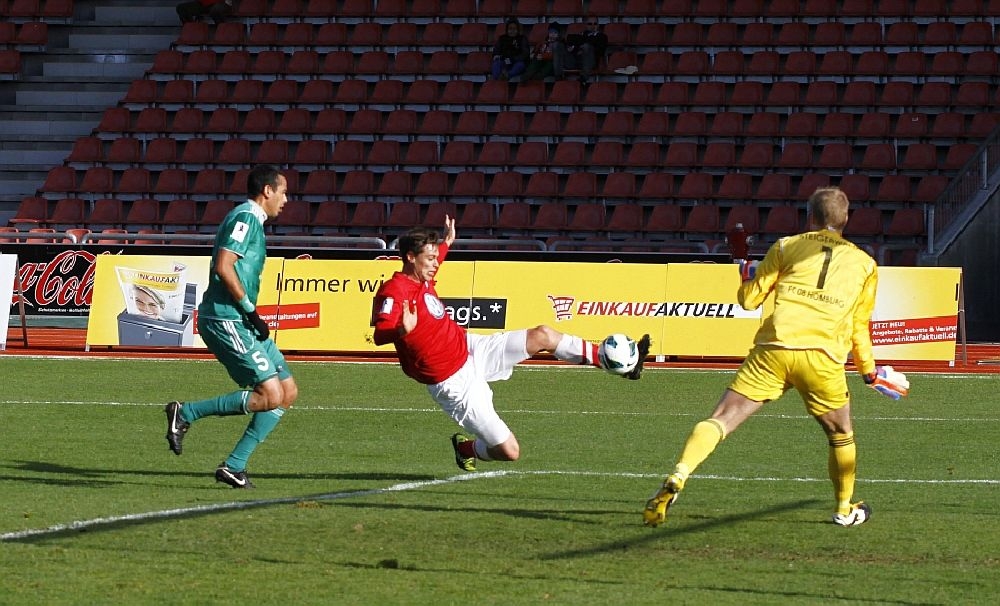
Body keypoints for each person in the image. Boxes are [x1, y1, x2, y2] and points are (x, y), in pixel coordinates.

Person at [642, 187, 910, 528]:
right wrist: (869, 373)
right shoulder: (865, 264)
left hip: (775, 347)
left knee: (722, 418)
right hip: (822, 355)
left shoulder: (785, 246)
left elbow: (749, 301)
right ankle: (845, 509)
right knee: (841, 434)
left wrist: (745, 273)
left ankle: (679, 474)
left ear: (810, 217)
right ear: (846, 219)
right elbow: (859, 326)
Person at [372, 217, 650, 471]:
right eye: (430, 258)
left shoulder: (423, 276)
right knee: (510, 451)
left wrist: (447, 243)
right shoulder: (394, 291)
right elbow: (380, 333)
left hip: (471, 348)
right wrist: (401, 329)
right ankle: (465, 449)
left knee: (543, 335)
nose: (435, 263)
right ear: (411, 257)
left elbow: (437, 257)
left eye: (436, 258)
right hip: (452, 383)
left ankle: (620, 365)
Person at [164, 165, 297, 488]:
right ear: (267, 191)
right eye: (283, 192)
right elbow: (224, 266)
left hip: (241, 318)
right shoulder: (245, 218)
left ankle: (234, 466)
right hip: (227, 318)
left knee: (287, 392)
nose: (285, 200)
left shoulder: (252, 221)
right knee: (270, 394)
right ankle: (186, 413)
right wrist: (251, 311)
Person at [554, 16, 608, 86]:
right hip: (575, 61)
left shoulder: (602, 36)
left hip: (590, 62)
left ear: (598, 25)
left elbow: (600, 51)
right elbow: (569, 39)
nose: (593, 26)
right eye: (590, 24)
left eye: (595, 24)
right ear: (586, 25)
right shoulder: (583, 35)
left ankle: (583, 79)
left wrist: (582, 45)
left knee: (586, 46)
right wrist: (574, 48)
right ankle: (558, 78)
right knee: (558, 45)